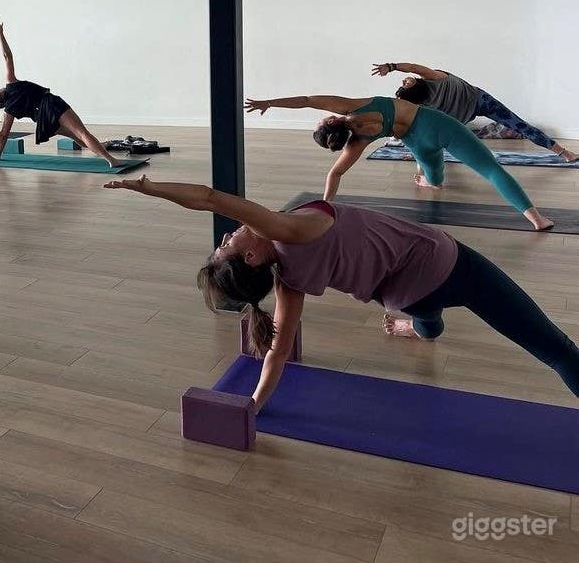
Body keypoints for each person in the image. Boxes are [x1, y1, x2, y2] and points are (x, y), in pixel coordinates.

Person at [104, 175, 579, 411]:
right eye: (225, 245)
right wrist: (144, 186)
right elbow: (209, 197)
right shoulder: (287, 228)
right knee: (557, 351)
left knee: (428, 317)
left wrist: (253, 404)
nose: (225, 236)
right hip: (450, 264)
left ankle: (418, 328)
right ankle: (422, 327)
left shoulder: (287, 284)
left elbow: (279, 351)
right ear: (249, 257)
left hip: (406, 298)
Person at [244, 93, 553, 231]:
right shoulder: (352, 106)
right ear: (333, 120)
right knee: (490, 169)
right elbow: (308, 100)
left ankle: (427, 178)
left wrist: (326, 206)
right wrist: (268, 103)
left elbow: (335, 174)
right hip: (435, 125)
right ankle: (536, 218)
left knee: (433, 175)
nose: (320, 116)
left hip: (418, 143)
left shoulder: (356, 142)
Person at [0, 19, 127, 168]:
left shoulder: (9, 112)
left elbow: (4, 135)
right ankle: (111, 160)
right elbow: (7, 56)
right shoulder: (11, 84)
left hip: (44, 121)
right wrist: (0, 33)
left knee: (78, 138)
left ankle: (100, 147)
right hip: (51, 106)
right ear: (0, 91)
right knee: (82, 133)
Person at [371, 61, 577, 163]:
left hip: (465, 111)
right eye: (405, 83)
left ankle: (427, 162)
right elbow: (413, 69)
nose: (404, 80)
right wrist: (392, 66)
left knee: (430, 135)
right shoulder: (434, 77)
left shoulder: (420, 104)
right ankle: (563, 152)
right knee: (519, 124)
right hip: (477, 102)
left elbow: (411, 77)